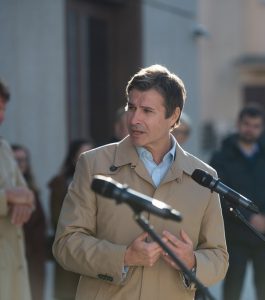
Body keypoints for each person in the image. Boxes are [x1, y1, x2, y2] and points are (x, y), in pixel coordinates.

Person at [52, 64, 228, 300]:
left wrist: (193, 261)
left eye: (147, 111)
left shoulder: (204, 177)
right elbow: (65, 244)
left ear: (173, 116)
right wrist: (123, 257)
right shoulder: (93, 164)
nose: (134, 119)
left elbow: (219, 256)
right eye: (131, 107)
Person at [210, 105, 265, 300]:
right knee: (232, 291)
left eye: (256, 126)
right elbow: (215, 193)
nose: (250, 129)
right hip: (234, 236)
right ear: (239, 125)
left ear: (262, 129)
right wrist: (247, 217)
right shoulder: (221, 158)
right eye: (247, 124)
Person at [0, 79, 35, 300]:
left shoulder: (3, 147)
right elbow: (14, 194)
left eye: (2, 108)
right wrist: (7, 198)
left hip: (13, 264)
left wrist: (26, 202)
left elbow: (25, 192)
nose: (1, 115)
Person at [48, 138, 94, 300]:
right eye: (82, 154)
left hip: (93, 252)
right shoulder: (60, 183)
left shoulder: (100, 183)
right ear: (73, 158)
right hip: (70, 247)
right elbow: (56, 218)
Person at [12, 144, 47, 300]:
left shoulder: (33, 190)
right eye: (16, 160)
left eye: (24, 160)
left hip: (33, 260)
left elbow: (40, 224)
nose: (21, 164)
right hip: (12, 256)